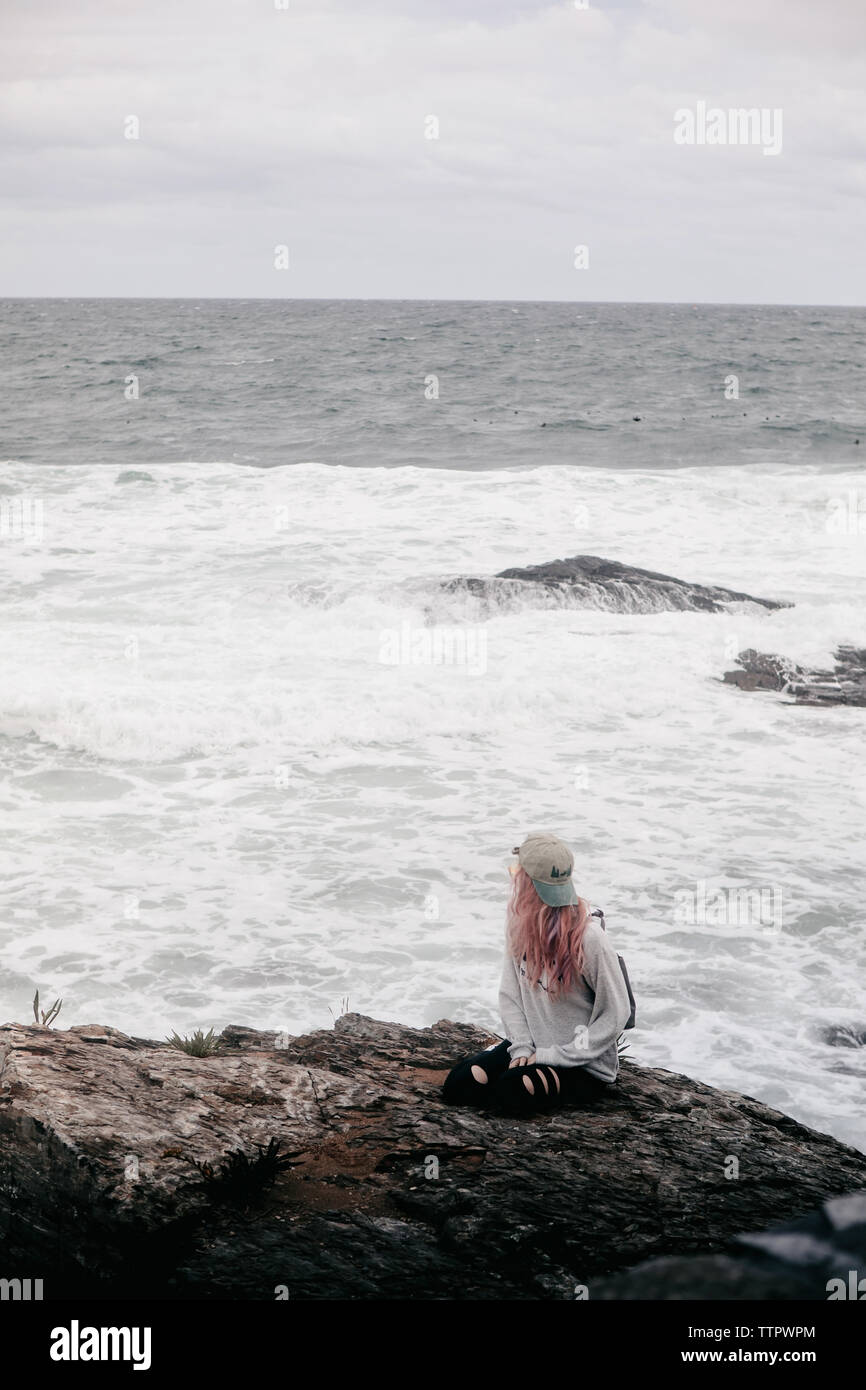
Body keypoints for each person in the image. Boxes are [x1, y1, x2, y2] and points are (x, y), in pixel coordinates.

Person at [442, 831, 632, 1115]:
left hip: (583, 1066)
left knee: (511, 1093)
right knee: (460, 1086)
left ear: (529, 883)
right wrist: (520, 1048)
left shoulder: (590, 939)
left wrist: (554, 1056)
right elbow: (510, 996)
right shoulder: (520, 926)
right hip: (532, 1048)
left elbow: (616, 1012)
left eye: (517, 872)